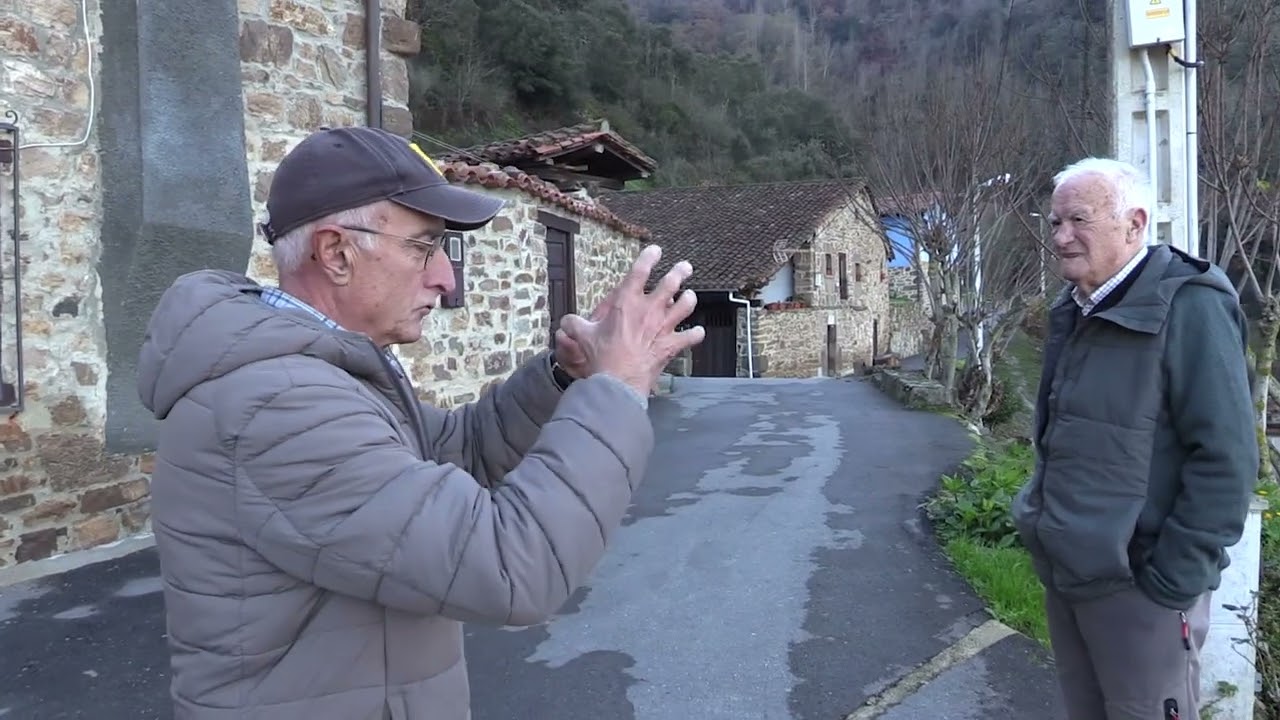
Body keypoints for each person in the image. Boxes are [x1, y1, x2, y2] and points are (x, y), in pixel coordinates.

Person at [135, 125, 705, 719]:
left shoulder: (323, 378)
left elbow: (456, 449)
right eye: (422, 247)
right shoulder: (277, 405)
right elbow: (511, 565)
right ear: (336, 253)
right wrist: (615, 389)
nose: (445, 278)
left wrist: (566, 377)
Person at [1011, 157, 1258, 720]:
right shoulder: (1073, 309)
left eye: (1078, 219)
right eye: (1054, 222)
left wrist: (1172, 579)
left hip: (1142, 585)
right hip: (1071, 572)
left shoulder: (1190, 305)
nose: (1060, 236)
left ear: (1135, 224)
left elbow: (1227, 458)